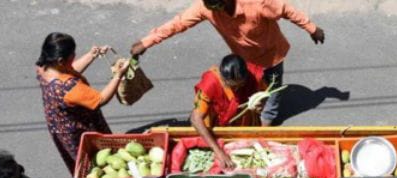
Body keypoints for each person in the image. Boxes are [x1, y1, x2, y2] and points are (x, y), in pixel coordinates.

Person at [130, 0, 325, 127]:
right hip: (244, 60)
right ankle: (250, 119)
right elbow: (178, 23)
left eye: (220, 6)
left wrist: (312, 28)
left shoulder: (257, 3)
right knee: (246, 91)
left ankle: (267, 121)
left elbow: (287, 10)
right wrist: (147, 41)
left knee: (272, 89)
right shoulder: (206, 7)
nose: (217, 11)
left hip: (271, 56)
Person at [36, 32, 130, 172]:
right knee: (94, 158)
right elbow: (101, 99)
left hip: (60, 126)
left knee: (76, 158)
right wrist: (118, 75)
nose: (75, 56)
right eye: (72, 55)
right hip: (78, 128)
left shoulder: (43, 68)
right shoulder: (68, 87)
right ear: (61, 60)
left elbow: (69, 70)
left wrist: (91, 55)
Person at [192, 54, 266, 170]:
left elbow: (263, 94)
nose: (236, 89)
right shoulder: (211, 82)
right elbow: (196, 119)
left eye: (240, 85)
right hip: (217, 122)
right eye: (231, 85)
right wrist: (219, 151)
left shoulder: (254, 76)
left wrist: (260, 104)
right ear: (222, 77)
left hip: (245, 121)